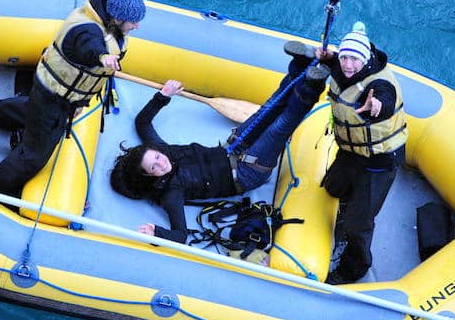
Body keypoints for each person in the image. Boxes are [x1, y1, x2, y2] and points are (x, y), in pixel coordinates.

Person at [109, 54, 330, 243]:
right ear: (149, 177)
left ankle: (300, 68)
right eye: (154, 167)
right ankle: (313, 87)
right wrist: (156, 232)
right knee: (278, 128)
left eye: (156, 157)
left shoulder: (160, 149)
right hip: (246, 172)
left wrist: (163, 96)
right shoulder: (170, 195)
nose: (161, 162)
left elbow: (143, 123)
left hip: (232, 148)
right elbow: (180, 235)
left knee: (268, 110)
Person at [0, 0, 146, 199]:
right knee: (33, 155)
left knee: (33, 109)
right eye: (133, 21)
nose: (137, 26)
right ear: (118, 17)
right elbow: (88, 48)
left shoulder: (105, 22)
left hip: (50, 89)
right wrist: (102, 58)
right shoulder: (89, 33)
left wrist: (80, 101)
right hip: (56, 95)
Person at [287, 21, 407, 285]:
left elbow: (384, 102)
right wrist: (329, 58)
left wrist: (376, 106)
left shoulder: (380, 85)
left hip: (378, 161)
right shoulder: (343, 68)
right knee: (333, 186)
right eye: (345, 58)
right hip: (350, 151)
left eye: (354, 59)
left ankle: (355, 267)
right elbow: (337, 67)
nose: (348, 65)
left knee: (358, 223)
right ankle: (341, 212)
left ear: (364, 60)